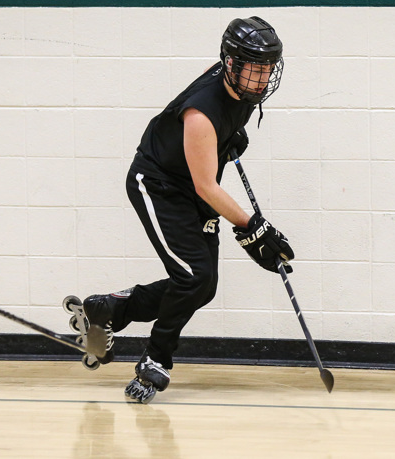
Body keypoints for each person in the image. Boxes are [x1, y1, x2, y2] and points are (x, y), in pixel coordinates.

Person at [79, 17, 293, 403]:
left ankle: (109, 309)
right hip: (159, 185)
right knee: (193, 277)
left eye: (267, 71)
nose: (261, 80)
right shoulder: (202, 112)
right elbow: (205, 185)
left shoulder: (241, 91)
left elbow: (207, 165)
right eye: (255, 70)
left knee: (202, 285)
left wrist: (229, 138)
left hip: (190, 185)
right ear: (231, 63)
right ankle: (155, 358)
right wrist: (255, 229)